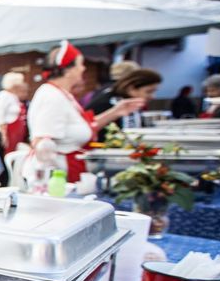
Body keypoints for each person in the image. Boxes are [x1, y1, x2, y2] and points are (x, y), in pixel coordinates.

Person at [25, 40, 145, 183]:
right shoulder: (52, 96)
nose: (83, 69)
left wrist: (116, 112)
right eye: (80, 64)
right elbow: (42, 144)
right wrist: (46, 187)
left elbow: (83, 128)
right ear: (68, 70)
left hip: (67, 173)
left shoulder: (61, 94)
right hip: (58, 179)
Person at [86, 68, 162, 132]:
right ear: (131, 88)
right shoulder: (108, 103)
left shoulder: (129, 101)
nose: (152, 97)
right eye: (148, 92)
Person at [0, 71, 30, 183]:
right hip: (5, 133)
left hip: (14, 133)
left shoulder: (14, 97)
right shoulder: (3, 95)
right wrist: (4, 136)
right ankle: (2, 183)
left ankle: (10, 181)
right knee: (4, 160)